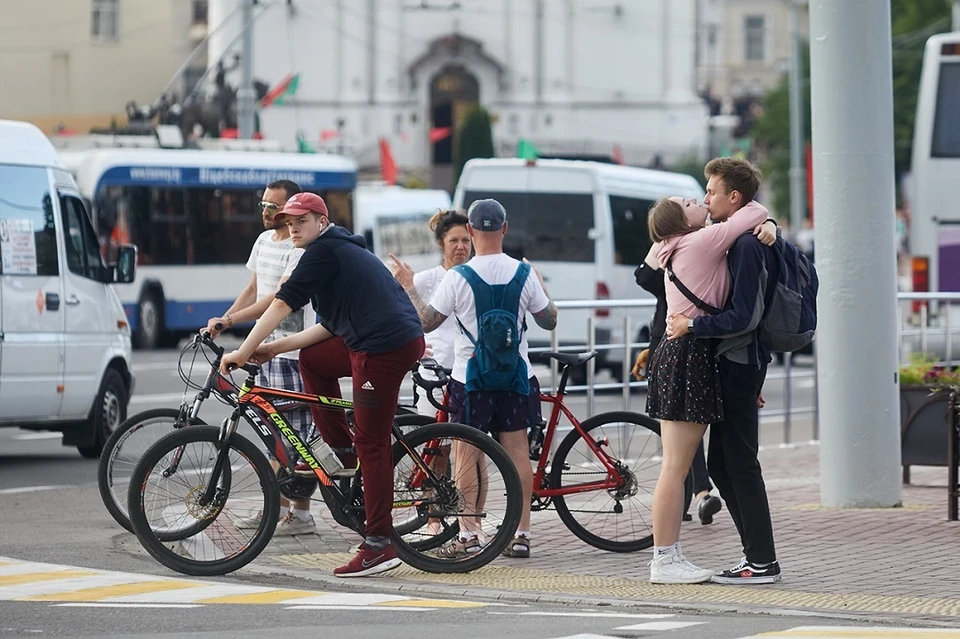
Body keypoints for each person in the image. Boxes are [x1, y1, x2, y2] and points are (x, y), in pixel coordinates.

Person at [221, 192, 425, 578]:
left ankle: (380, 544)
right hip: (370, 338)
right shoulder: (331, 252)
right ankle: (344, 451)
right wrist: (273, 348)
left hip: (384, 346)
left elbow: (281, 304)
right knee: (311, 360)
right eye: (288, 222)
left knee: (374, 443)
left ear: (321, 221)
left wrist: (244, 351)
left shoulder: (324, 252)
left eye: (301, 221)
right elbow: (329, 326)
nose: (292, 228)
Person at [403, 199, 558, 560]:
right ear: (504, 229)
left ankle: (470, 535)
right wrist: (542, 291)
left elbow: (427, 322)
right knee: (518, 453)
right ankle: (521, 534)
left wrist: (410, 289)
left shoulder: (458, 276)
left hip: (469, 379)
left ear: (471, 232)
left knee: (466, 453)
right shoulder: (523, 272)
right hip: (517, 376)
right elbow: (548, 321)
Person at [666, 157, 783, 584]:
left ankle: (763, 561)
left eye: (712, 191)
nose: (706, 198)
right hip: (735, 365)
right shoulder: (743, 237)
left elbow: (744, 318)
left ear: (734, 196)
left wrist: (693, 324)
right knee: (721, 465)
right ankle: (756, 555)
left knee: (740, 463)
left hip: (739, 364)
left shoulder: (749, 245)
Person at [644, 186, 768, 584]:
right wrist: (770, 225)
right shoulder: (700, 242)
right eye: (689, 204)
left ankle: (670, 555)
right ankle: (664, 560)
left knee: (676, 465)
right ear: (681, 222)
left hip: (681, 354)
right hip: (688, 356)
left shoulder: (676, 246)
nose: (698, 201)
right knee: (676, 467)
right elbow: (754, 210)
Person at [204, 179, 318, 536]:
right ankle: (277, 509)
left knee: (293, 433)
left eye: (274, 206)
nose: (266, 212)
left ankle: (298, 514)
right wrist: (223, 320)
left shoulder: (299, 248)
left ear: (291, 211)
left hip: (289, 350)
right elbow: (254, 289)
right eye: (263, 205)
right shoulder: (264, 241)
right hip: (263, 348)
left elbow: (278, 299)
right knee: (274, 432)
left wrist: (233, 321)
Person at [388, 208, 473, 414]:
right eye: (454, 241)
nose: (461, 247)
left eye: (466, 240)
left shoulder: (478, 277)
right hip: (435, 374)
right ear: (440, 243)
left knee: (469, 443)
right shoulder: (426, 279)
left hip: (471, 374)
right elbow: (398, 318)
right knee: (433, 442)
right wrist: (413, 345)